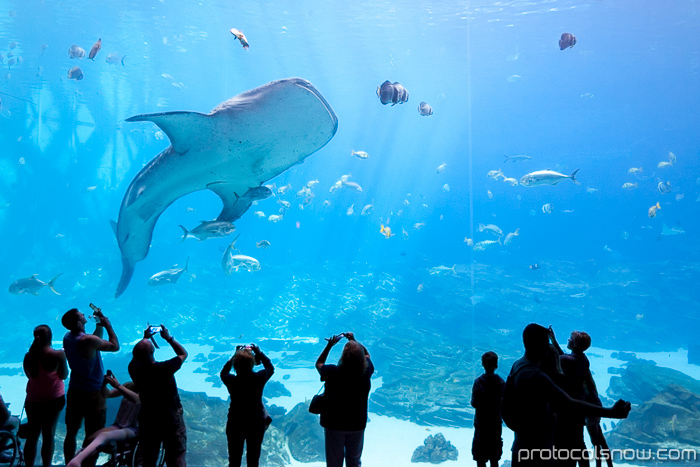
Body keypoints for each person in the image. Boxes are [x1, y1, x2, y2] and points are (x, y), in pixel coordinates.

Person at [503, 323, 631, 466]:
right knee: (584, 443)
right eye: (546, 343)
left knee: (585, 443)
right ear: (540, 345)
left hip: (524, 443)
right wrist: (611, 412)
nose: (548, 347)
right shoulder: (539, 376)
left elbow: (506, 402)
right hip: (538, 447)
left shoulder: (518, 365)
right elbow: (568, 402)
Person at [62, 306, 120, 464]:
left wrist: (98, 324)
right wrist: (107, 323)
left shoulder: (68, 337)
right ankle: (87, 464)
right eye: (80, 314)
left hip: (75, 391)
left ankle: (69, 463)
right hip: (93, 394)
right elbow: (115, 346)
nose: (82, 313)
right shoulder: (87, 340)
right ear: (79, 321)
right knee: (93, 435)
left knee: (71, 432)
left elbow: (93, 342)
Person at [128, 324, 188, 467]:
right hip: (169, 415)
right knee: (176, 454)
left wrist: (145, 339)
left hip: (148, 415)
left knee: (149, 454)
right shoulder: (164, 369)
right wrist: (169, 338)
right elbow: (183, 354)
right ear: (152, 351)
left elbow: (138, 356)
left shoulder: (133, 368)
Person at [315, 332, 374, 467]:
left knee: (334, 462)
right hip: (357, 424)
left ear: (342, 357)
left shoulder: (332, 372)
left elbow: (319, 363)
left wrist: (329, 346)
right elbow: (367, 355)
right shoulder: (366, 372)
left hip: (334, 424)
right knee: (354, 461)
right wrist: (354, 341)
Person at [66, 373, 140, 467]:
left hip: (134, 429)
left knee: (104, 435)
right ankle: (84, 461)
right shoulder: (129, 385)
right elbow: (108, 394)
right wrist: (104, 384)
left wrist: (118, 386)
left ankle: (77, 461)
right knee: (91, 438)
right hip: (119, 425)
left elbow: (137, 400)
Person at [220, 344, 274, 467]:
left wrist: (235, 355)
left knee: (234, 459)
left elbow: (223, 373)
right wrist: (258, 352)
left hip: (235, 422)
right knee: (253, 459)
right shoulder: (259, 378)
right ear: (252, 363)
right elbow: (270, 368)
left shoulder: (231, 380)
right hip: (255, 423)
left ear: (235, 365)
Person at [23, 325, 69, 467]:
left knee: (32, 436)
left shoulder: (28, 356)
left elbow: (29, 375)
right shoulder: (58, 355)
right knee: (48, 436)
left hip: (33, 400)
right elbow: (64, 375)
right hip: (53, 400)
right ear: (50, 337)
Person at [471, 351, 506, 467]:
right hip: (495, 424)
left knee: (480, 458)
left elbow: (474, 403)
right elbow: (505, 402)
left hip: (481, 425)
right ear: (496, 365)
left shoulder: (478, 382)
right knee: (494, 458)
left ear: (482, 364)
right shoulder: (501, 382)